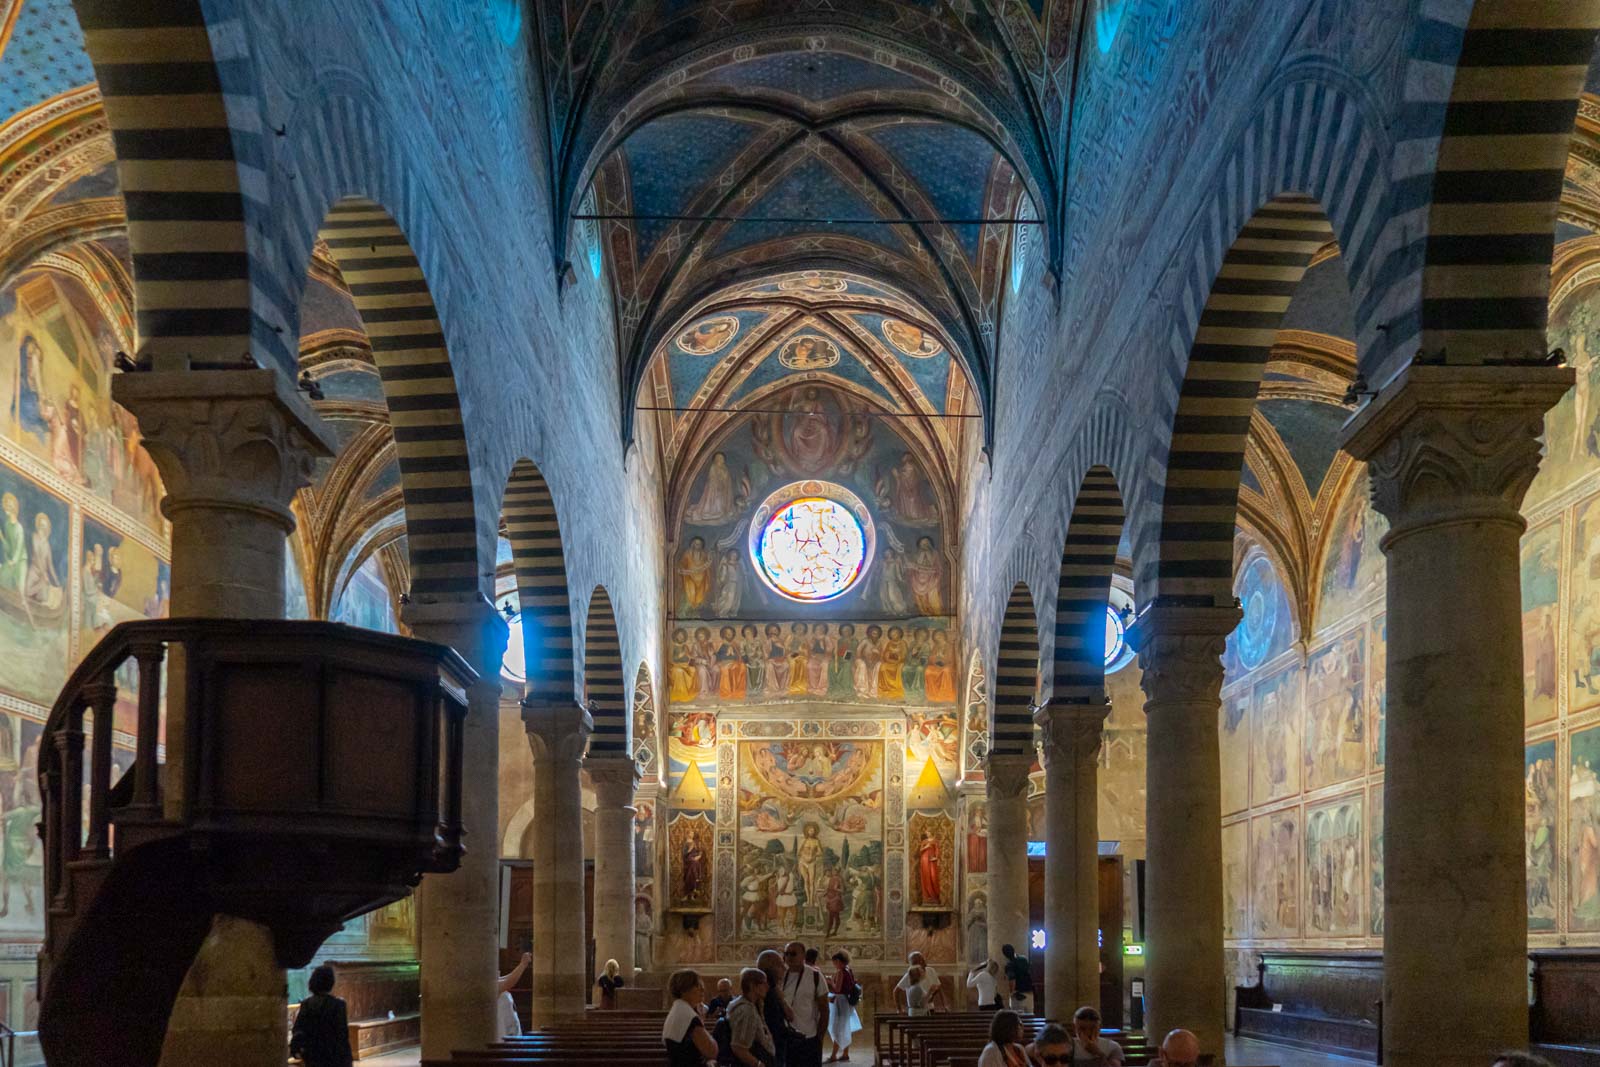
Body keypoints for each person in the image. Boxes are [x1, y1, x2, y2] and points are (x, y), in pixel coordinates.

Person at [289, 964, 353, 1067]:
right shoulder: (339, 1005)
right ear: (330, 982)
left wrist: (297, 1049)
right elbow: (342, 1035)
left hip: (313, 1055)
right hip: (333, 1056)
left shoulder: (307, 1004)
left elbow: (298, 1029)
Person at [781, 940, 828, 1067]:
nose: (789, 957)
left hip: (808, 1038)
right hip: (784, 1038)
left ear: (803, 955)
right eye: (786, 954)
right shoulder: (780, 975)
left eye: (793, 954)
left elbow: (824, 1009)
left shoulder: (815, 976)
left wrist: (819, 1038)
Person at [663, 969, 720, 1067]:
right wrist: (700, 1021)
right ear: (684, 989)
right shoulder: (687, 1015)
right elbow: (712, 1051)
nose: (702, 990)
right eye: (697, 986)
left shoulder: (678, 1009)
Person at [727, 966, 777, 1067]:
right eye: (763, 982)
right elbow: (738, 1047)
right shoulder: (747, 1011)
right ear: (752, 986)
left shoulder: (751, 1005)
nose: (767, 986)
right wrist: (758, 1064)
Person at [756, 949, 791, 1067]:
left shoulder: (773, 991)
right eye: (781, 965)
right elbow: (774, 1026)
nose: (785, 968)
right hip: (771, 1052)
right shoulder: (767, 994)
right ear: (771, 968)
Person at [825, 950, 861, 1063]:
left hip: (840, 1002)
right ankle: (845, 1054)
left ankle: (833, 1055)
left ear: (839, 961)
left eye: (834, 962)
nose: (834, 965)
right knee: (844, 1028)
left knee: (837, 1029)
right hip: (845, 1001)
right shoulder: (848, 970)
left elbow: (837, 989)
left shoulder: (841, 972)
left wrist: (830, 981)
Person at [497, 951, 531, 1037]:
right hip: (502, 1032)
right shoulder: (483, 983)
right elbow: (508, 982)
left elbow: (507, 978)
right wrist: (523, 964)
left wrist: (522, 965)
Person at [1001, 943, 1033, 1013]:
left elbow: (1012, 980)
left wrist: (1011, 993)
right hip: (1029, 992)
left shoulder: (1009, 965)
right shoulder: (1024, 959)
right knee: (1030, 1015)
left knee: (1017, 1017)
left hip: (1018, 995)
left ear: (1005, 955)